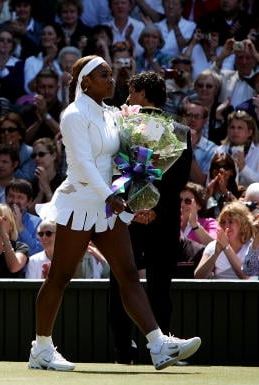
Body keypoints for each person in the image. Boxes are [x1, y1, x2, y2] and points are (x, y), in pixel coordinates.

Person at [28, 55, 200, 372]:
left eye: (111, 75)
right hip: (80, 202)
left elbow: (122, 154)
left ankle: (158, 344)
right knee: (60, 277)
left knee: (128, 275)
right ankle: (41, 348)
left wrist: (150, 156)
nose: (112, 80)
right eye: (104, 75)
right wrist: (111, 195)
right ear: (86, 82)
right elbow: (82, 164)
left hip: (106, 206)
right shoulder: (73, 115)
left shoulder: (110, 113)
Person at [108, 70, 193, 365]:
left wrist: (134, 210)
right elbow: (178, 180)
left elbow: (116, 169)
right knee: (159, 285)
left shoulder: (122, 125)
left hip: (129, 218)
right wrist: (154, 210)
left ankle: (123, 350)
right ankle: (161, 346)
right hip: (162, 219)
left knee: (122, 281)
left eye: (132, 93)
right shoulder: (179, 129)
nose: (129, 98)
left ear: (143, 95)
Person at [194, 201, 254, 279]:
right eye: (223, 222)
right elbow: (198, 277)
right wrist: (215, 253)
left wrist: (226, 247)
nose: (226, 226)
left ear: (242, 224)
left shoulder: (253, 246)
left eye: (230, 222)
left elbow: (246, 276)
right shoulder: (213, 246)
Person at [215, 110, 259, 188]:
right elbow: (210, 179)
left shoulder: (257, 151)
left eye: (240, 128)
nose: (235, 131)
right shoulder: (220, 150)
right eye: (232, 127)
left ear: (250, 132)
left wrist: (242, 167)